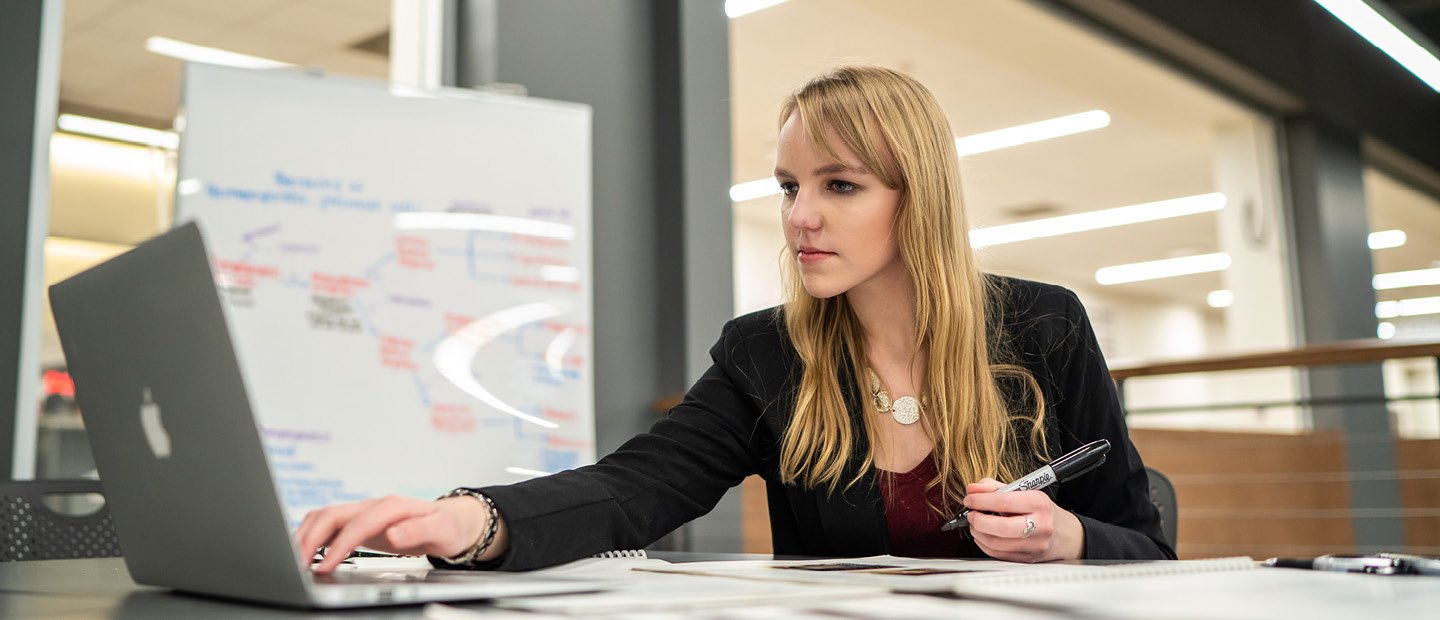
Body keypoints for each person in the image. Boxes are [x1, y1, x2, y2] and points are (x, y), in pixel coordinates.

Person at [298, 66, 1175, 573]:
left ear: (920, 201)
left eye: (840, 186)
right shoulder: (769, 353)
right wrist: (468, 519)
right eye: (790, 186)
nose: (800, 216)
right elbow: (633, 490)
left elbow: (1147, 547)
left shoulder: (1043, 325)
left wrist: (1068, 536)